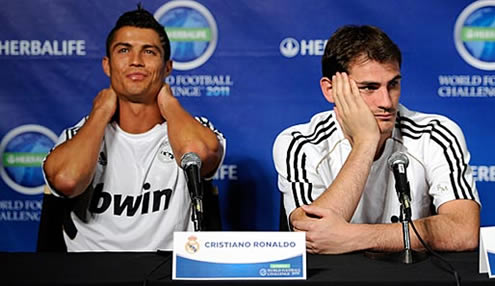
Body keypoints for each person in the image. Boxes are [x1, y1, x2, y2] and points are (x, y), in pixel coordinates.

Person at [273, 25, 480, 254]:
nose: (387, 102)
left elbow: (463, 231)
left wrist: (357, 237)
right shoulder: (300, 143)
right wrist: (366, 141)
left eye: (393, 84)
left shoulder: (435, 133)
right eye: (369, 88)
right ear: (330, 90)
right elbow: (309, 236)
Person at [42, 6, 225, 251]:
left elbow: (198, 155)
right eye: (124, 50)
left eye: (149, 52)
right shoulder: (79, 135)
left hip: (167, 272)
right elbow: (67, 180)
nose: (136, 61)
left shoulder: (192, 128)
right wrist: (100, 114)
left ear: (168, 67)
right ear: (107, 65)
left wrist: (169, 104)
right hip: (91, 274)